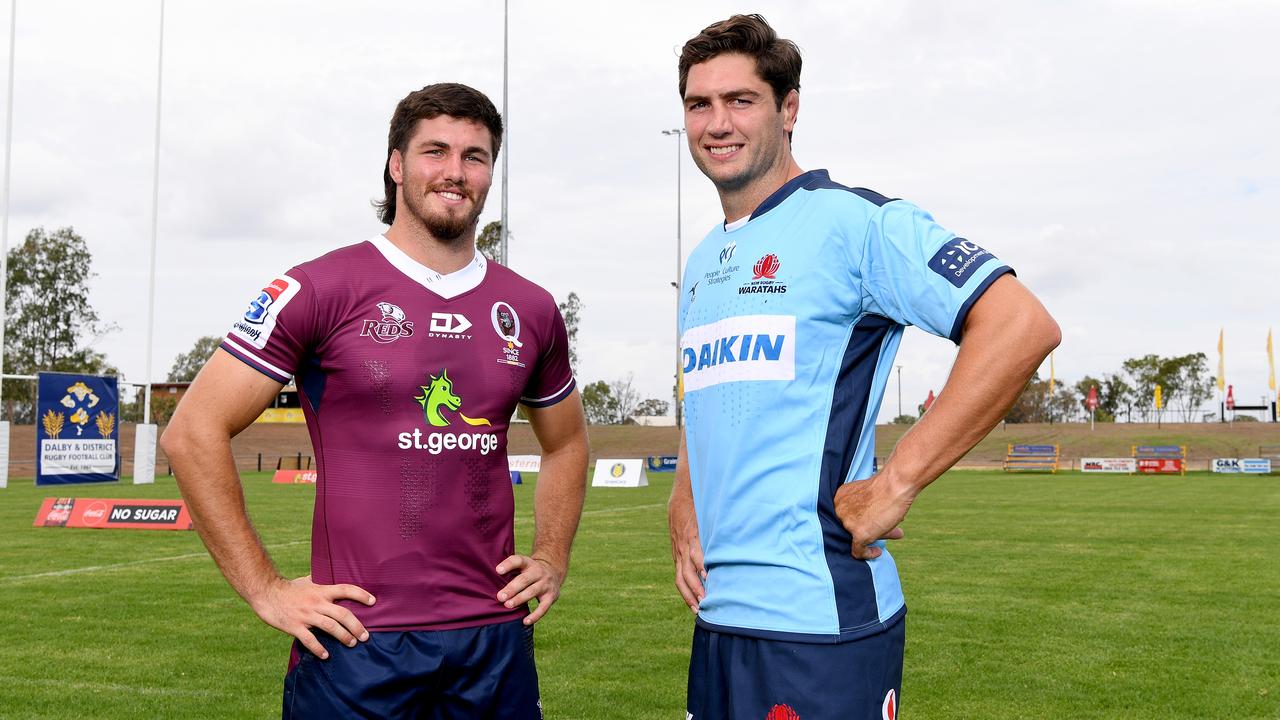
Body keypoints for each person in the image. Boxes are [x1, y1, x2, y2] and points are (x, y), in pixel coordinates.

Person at [667, 15, 1060, 720]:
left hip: (822, 625)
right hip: (721, 620)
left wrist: (899, 478)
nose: (717, 123)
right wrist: (684, 500)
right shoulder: (701, 261)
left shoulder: (857, 223)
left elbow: (1019, 324)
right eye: (700, 104)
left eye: (741, 100)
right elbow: (708, 397)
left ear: (788, 109)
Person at [162, 82, 588, 719]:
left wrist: (552, 555)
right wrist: (267, 590)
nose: (455, 172)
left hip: (493, 639)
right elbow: (191, 432)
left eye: (475, 156)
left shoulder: (528, 308)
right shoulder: (318, 287)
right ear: (396, 164)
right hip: (357, 640)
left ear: (490, 172)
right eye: (434, 151)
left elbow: (568, 441)